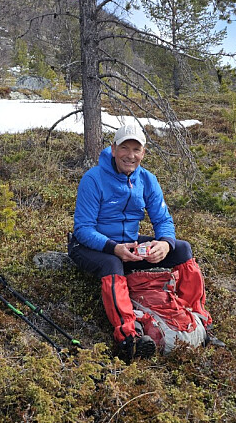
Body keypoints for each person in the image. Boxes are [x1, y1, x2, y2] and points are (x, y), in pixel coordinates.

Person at [68, 123, 212, 359]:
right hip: (89, 247)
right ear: (113, 149)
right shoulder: (93, 179)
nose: (130, 155)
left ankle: (197, 321)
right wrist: (114, 248)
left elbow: (163, 219)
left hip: (128, 244)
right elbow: (83, 229)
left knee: (182, 249)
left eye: (136, 149)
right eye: (125, 148)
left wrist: (165, 243)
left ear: (143, 153)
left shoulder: (147, 179)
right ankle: (129, 337)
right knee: (112, 264)